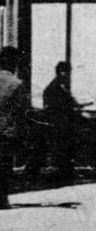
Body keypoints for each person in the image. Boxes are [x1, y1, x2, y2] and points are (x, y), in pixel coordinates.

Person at [29, 61, 91, 181]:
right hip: (56, 123)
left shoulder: (60, 86)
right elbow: (56, 106)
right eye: (67, 72)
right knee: (57, 148)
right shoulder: (55, 87)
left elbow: (69, 102)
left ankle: (63, 172)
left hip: (60, 123)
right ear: (62, 72)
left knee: (58, 148)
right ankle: (59, 173)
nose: (68, 75)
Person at [0, 46, 27, 210]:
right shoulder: (17, 84)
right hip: (6, 132)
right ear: (14, 64)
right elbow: (22, 111)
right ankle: (1, 199)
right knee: (4, 166)